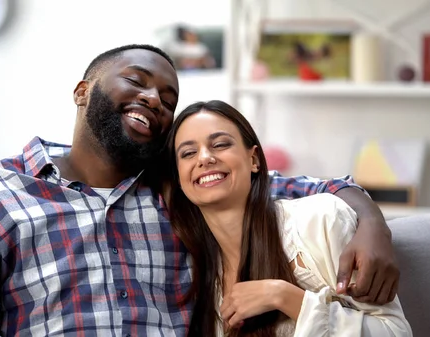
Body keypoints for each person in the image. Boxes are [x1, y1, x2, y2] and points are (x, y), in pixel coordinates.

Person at [0, 44, 398, 336]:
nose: (154, 99)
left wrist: (373, 223)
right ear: (82, 90)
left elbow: (291, 183)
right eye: (137, 81)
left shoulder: (178, 188)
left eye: (168, 100)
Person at [166, 100, 412, 336]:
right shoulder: (199, 275)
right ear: (178, 177)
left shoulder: (320, 221)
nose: (204, 158)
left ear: (253, 160)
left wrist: (283, 296)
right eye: (188, 153)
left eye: (220, 145)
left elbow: (395, 333)